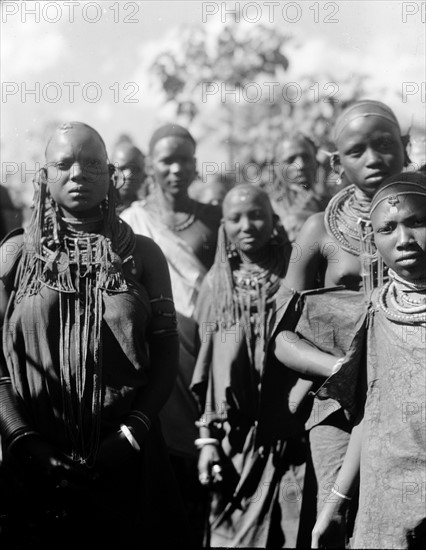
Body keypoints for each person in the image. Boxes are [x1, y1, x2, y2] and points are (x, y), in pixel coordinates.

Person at [0, 121, 192, 547]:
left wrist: (131, 433)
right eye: (63, 164)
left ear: (111, 174)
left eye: (91, 164)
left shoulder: (143, 254)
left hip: (129, 458)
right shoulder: (14, 256)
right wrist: (23, 440)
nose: (77, 174)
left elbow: (164, 352)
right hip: (34, 464)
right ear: (43, 177)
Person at [270, 99, 410, 546]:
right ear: (335, 163)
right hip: (338, 408)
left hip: (412, 398)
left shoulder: (419, 223)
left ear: (405, 146)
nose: (374, 158)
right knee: (339, 523)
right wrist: (339, 370)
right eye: (357, 151)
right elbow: (281, 337)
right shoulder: (317, 231)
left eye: (386, 144)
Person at [309, 172, 426, 549]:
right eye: (387, 228)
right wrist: (336, 502)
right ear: (373, 240)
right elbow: (369, 411)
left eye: (418, 223)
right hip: (386, 496)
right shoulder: (378, 311)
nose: (404, 239)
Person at [120, 123, 222, 544]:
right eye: (167, 160)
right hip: (156, 357)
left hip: (206, 353)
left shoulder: (214, 220)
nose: (176, 169)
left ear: (195, 164)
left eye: (184, 159)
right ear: (151, 165)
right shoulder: (131, 222)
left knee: (201, 479)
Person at [191, 183, 308, 548]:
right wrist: (208, 440)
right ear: (223, 225)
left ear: (273, 220)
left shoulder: (296, 273)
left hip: (292, 432)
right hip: (236, 441)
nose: (247, 225)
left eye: (256, 215)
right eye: (235, 218)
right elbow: (208, 369)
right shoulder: (216, 285)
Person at [268, 132, 328, 242]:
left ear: (317, 163)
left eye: (307, 158)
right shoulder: (265, 209)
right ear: (274, 166)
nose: (301, 165)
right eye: (290, 160)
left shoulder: (334, 206)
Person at [110, 139, 147, 213]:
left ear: (143, 176)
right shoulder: (97, 211)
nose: (129, 175)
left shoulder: (149, 214)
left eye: (135, 169)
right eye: (122, 168)